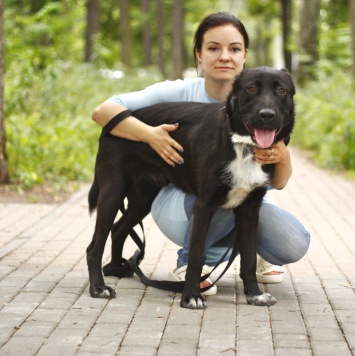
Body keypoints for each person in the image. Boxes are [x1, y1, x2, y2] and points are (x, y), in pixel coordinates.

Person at [92, 12, 310, 296]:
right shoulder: (177, 91)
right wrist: (150, 135)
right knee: (219, 197)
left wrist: (283, 156)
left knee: (289, 238)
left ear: (245, 55)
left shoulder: (263, 108)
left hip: (236, 193)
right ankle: (189, 265)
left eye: (234, 49)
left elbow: (278, 183)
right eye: (213, 48)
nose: (224, 56)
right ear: (198, 55)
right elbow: (102, 112)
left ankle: (249, 253)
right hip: (179, 195)